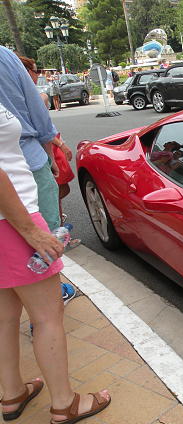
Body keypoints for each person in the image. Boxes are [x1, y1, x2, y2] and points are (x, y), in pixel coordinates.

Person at [0, 98, 111, 424]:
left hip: (7, 220)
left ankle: (12, 392)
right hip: (13, 220)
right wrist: (32, 231)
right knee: (47, 316)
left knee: (5, 316)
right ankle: (65, 403)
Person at [0, 46, 77, 305]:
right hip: (27, 168)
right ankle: (51, 296)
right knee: (47, 314)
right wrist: (49, 156)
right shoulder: (5, 57)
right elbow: (40, 118)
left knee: (7, 316)